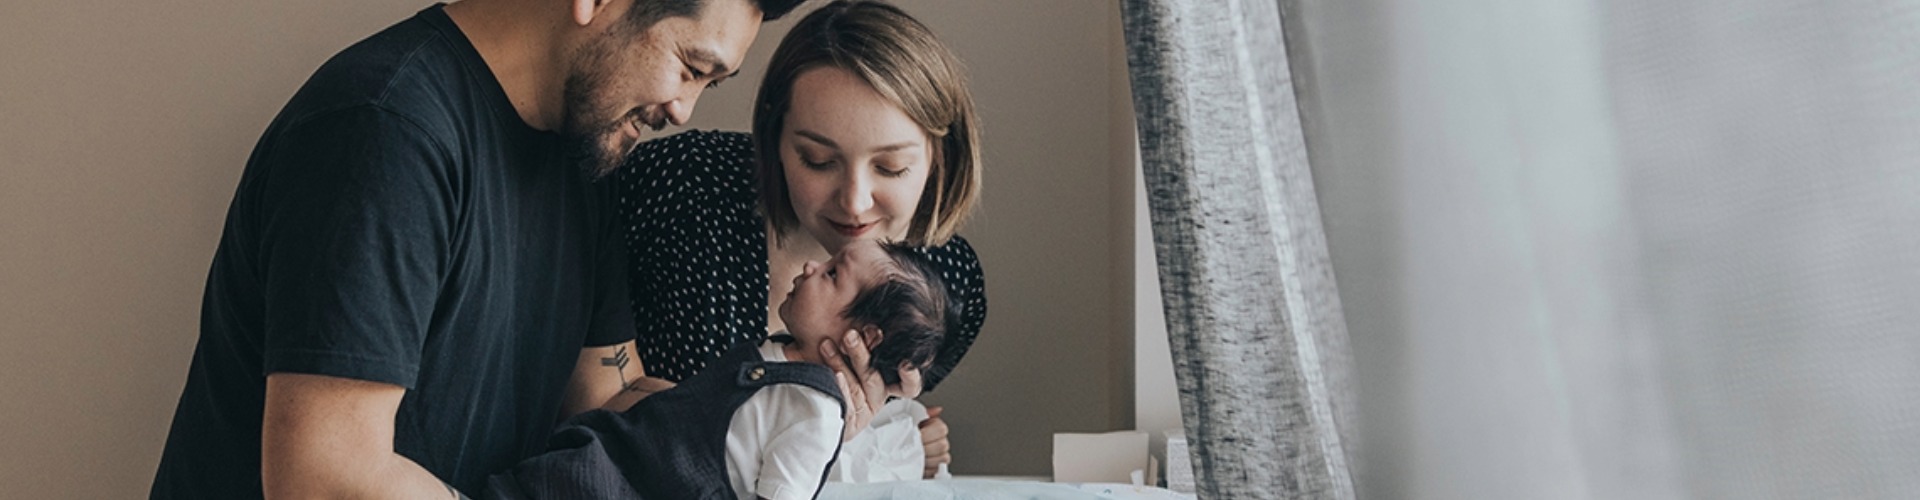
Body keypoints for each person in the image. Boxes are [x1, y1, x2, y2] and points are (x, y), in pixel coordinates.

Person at [149, 0, 807, 498]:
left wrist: (785, 405)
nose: (684, 109)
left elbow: (608, 397)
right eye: (690, 67)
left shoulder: (584, 155)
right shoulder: (384, 130)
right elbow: (325, 476)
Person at [611, 0, 984, 479]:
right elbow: (592, 404)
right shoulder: (680, 188)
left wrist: (893, 436)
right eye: (817, 160)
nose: (854, 202)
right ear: (775, 139)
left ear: (940, 156)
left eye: (891, 167)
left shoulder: (949, 283)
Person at [485, 239, 957, 499]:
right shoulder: (775, 352)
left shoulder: (817, 415)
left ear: (866, 338)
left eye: (833, 274)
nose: (814, 264)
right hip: (624, 451)